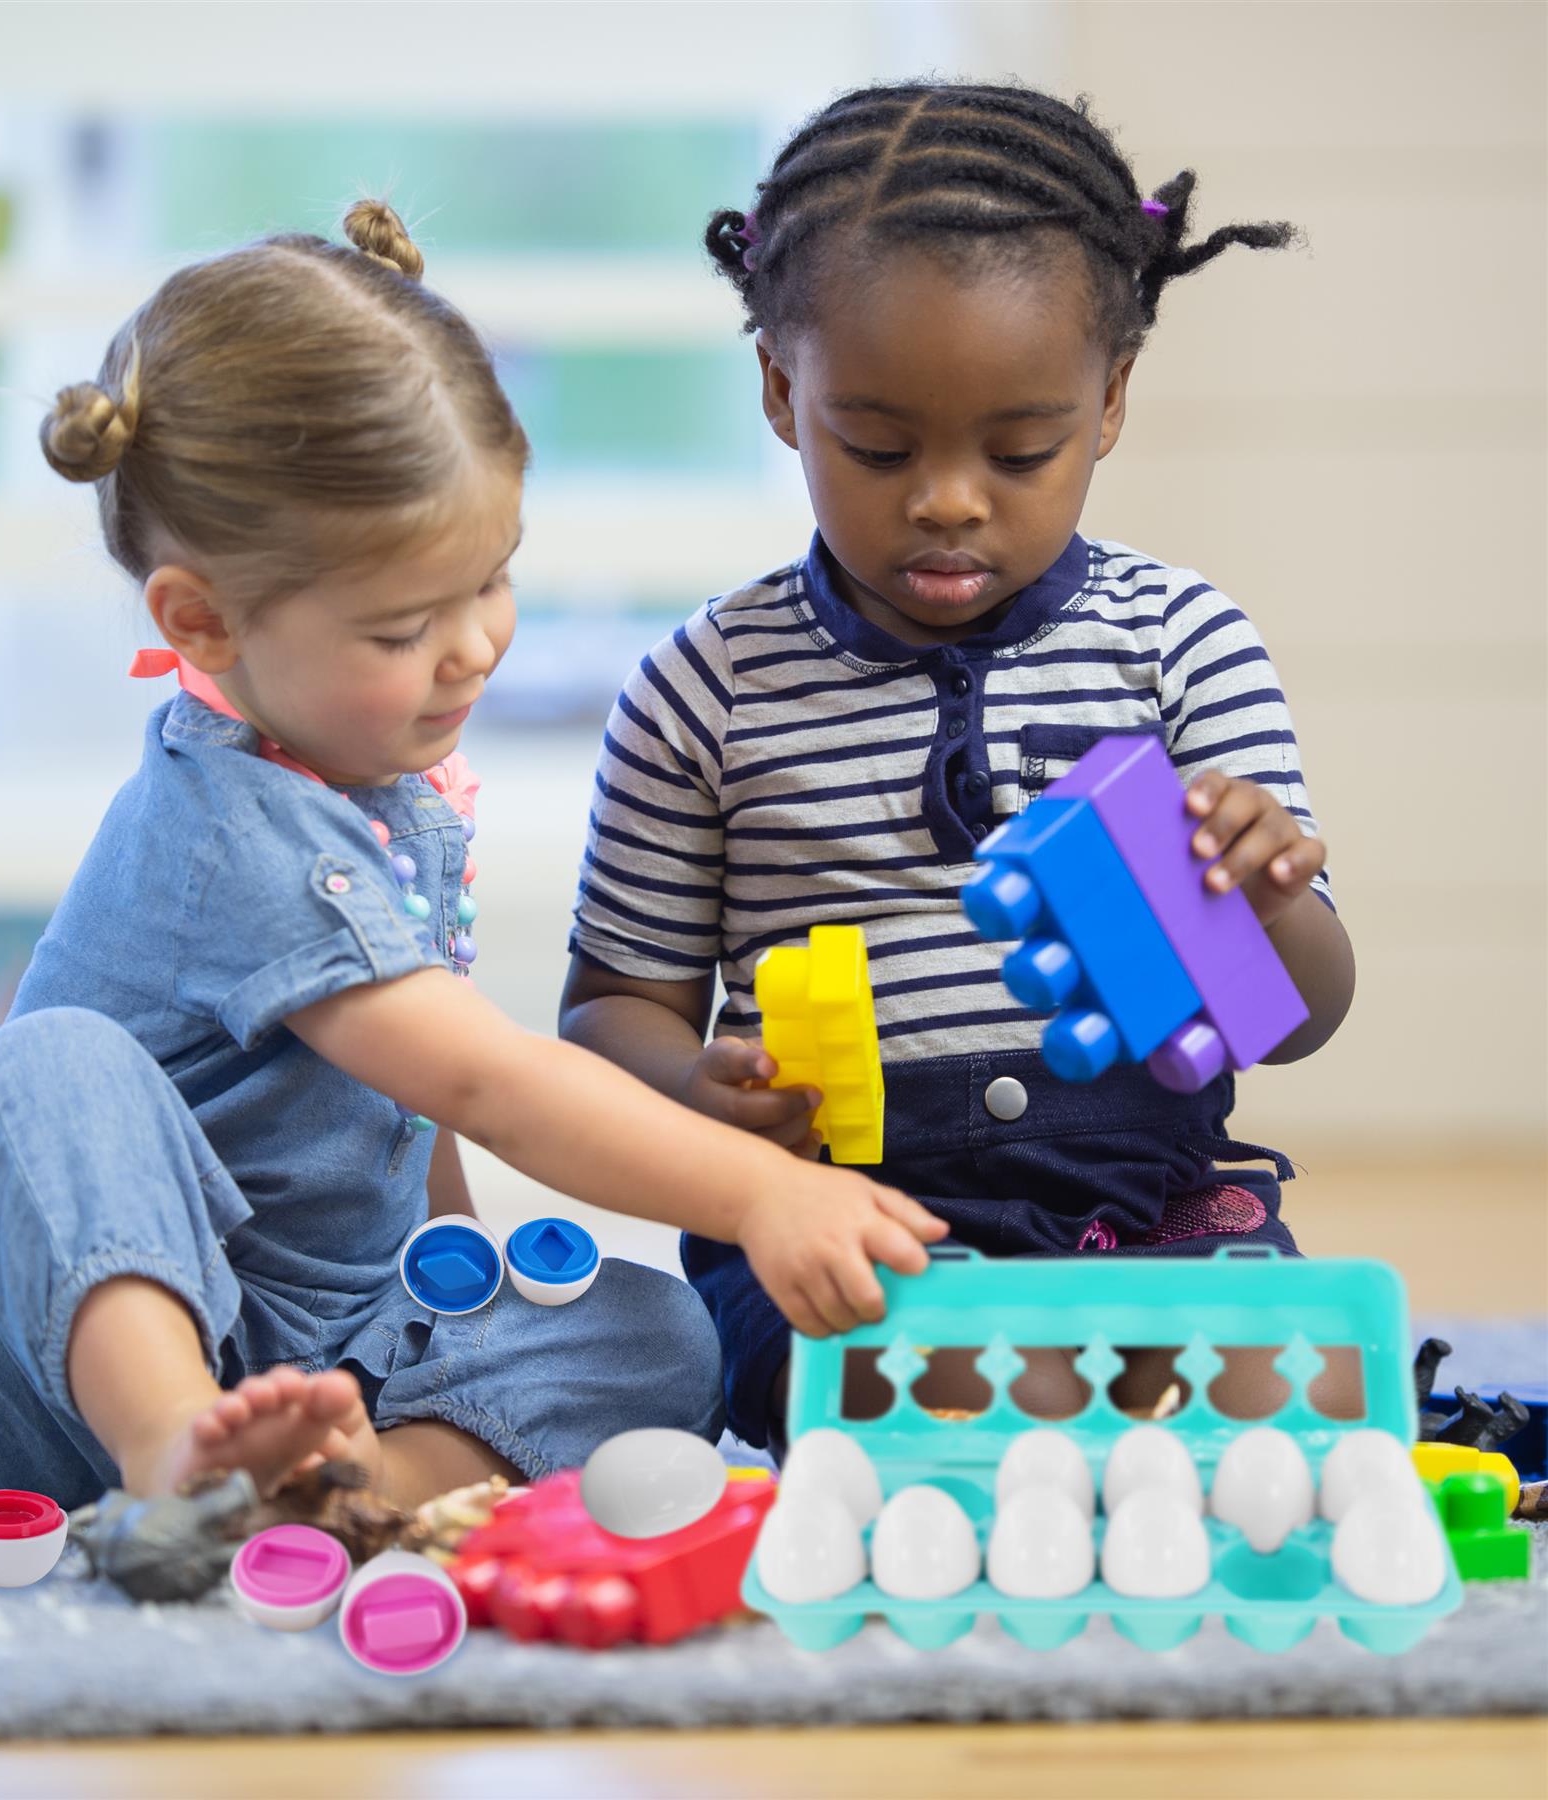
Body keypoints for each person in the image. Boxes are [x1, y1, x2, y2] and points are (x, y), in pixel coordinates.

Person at [0, 201, 945, 1511]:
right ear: (203, 621)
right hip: (44, 1347)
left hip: (313, 1343)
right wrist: (762, 1191)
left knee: (661, 1332)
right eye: (409, 624)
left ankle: (355, 1486)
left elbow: (410, 1110)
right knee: (44, 1066)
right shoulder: (234, 831)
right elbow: (487, 1080)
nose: (477, 645)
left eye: (494, 579)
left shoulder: (381, 785)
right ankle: (177, 1456)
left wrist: (466, 1304)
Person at [560, 84, 1357, 1452]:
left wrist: (1269, 889)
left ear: (1107, 404)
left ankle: (1072, 1422)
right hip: (836, 1225)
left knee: (1312, 1383)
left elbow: (1301, 1016)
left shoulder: (1179, 645)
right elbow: (608, 1015)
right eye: (876, 446)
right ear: (777, 391)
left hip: (1151, 1199)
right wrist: (707, 1095)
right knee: (901, 1392)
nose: (945, 497)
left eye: (1019, 448)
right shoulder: (706, 688)